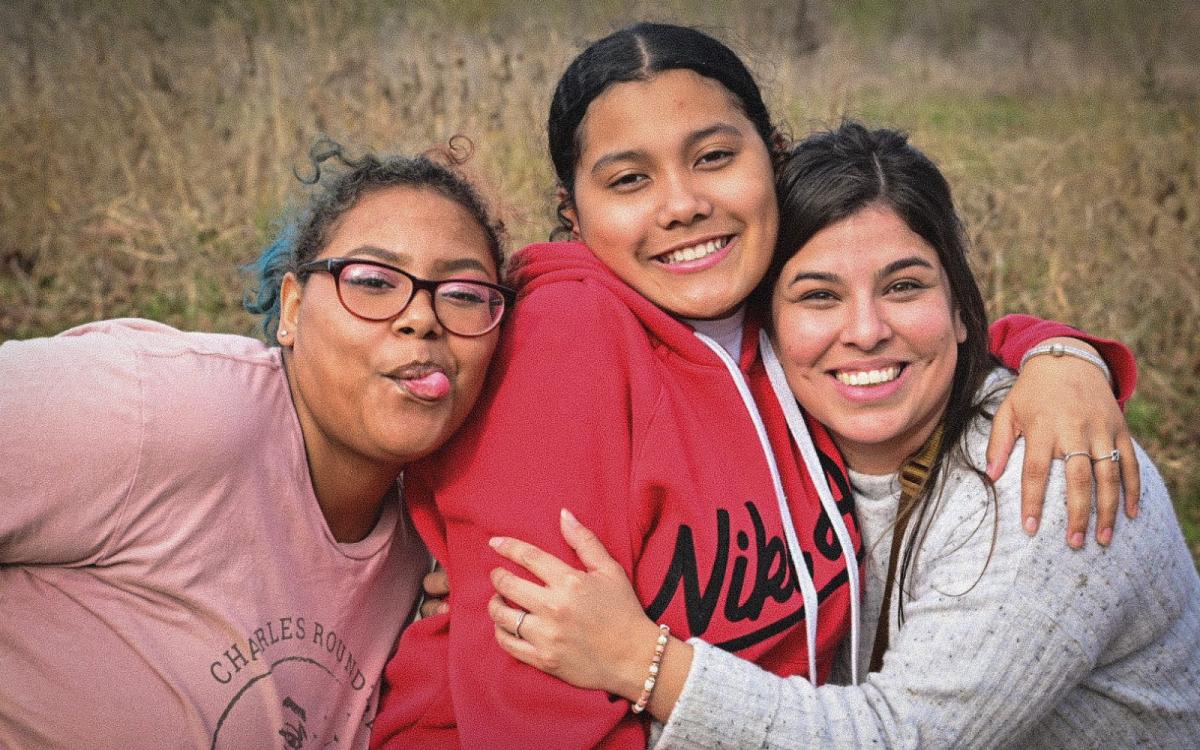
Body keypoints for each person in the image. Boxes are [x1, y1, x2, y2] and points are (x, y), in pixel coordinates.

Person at [370, 23, 1139, 749]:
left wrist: (1059, 356)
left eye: (713, 158)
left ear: (772, 159)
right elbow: (531, 700)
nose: (683, 205)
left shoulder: (772, 311)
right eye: (630, 179)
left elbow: (910, 324)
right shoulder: (570, 339)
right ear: (574, 214)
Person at [483, 122, 1200, 747]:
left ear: (959, 307)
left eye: (904, 287)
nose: (864, 332)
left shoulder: (1047, 471)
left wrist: (641, 661)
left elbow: (900, 739)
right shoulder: (787, 434)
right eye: (819, 296)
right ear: (768, 328)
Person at [0, 143, 515, 748]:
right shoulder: (172, 409)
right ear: (293, 308)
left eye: (463, 294)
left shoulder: (424, 547)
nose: (422, 318)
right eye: (373, 281)